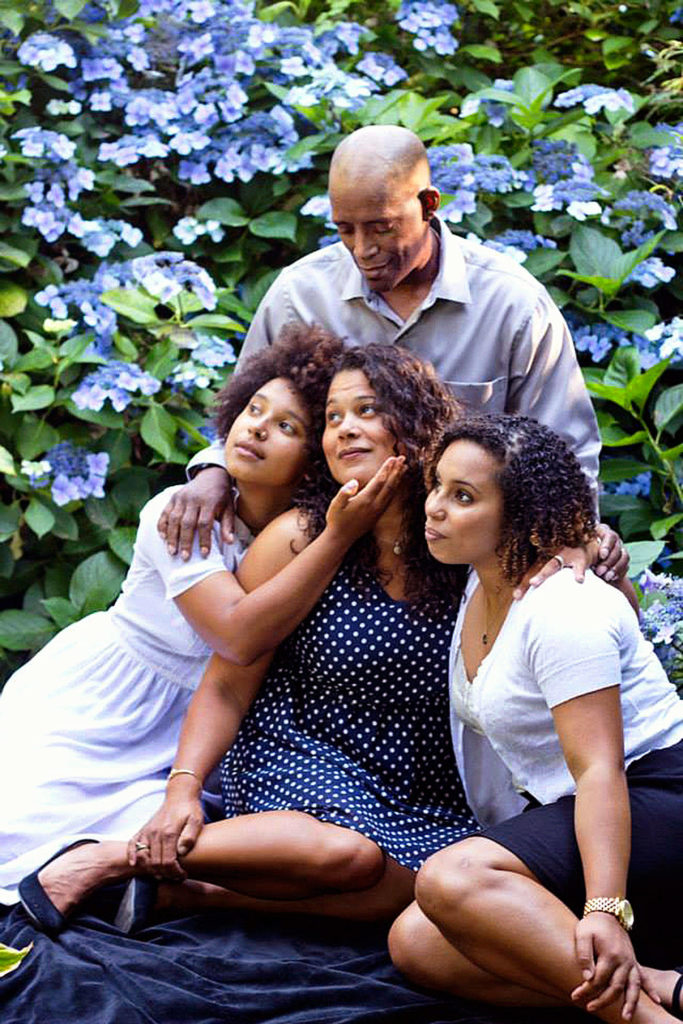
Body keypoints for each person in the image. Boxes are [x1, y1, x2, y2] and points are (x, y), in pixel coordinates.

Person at [17, 344, 481, 933]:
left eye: (367, 410)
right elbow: (233, 662)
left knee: (421, 886)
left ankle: (189, 897)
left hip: (407, 770)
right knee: (351, 854)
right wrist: (183, 791)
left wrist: (582, 543)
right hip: (286, 746)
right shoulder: (289, 534)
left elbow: (527, 522)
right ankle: (108, 857)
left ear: (415, 427)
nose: (346, 430)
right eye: (334, 418)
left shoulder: (453, 537)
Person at [159, 124, 627, 580]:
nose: (363, 250)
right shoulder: (298, 295)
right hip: (322, 551)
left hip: (465, 563)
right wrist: (213, 472)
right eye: (345, 230)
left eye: (381, 228)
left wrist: (576, 537)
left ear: (428, 205)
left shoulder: (514, 306)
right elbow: (246, 415)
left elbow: (566, 449)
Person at [388, 412, 683, 1024]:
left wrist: (604, 908)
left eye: (463, 496)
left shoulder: (562, 609)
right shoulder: (481, 580)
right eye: (437, 486)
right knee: (417, 942)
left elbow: (601, 768)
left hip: (655, 794)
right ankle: (657, 984)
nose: (435, 508)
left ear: (520, 517)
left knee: (453, 877)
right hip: (581, 808)